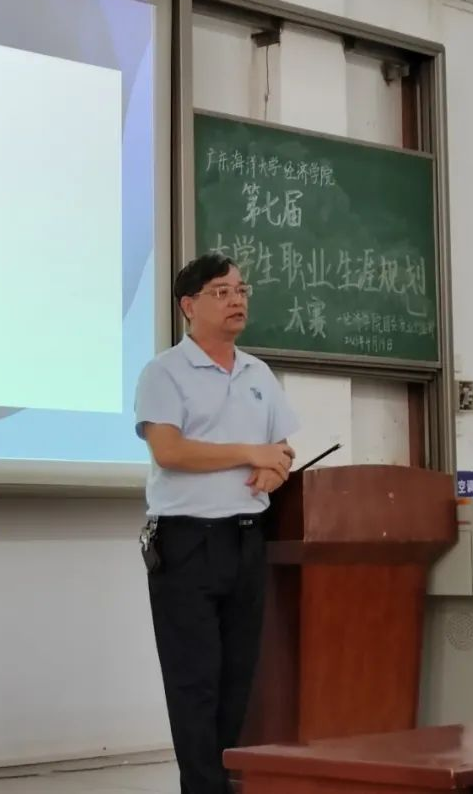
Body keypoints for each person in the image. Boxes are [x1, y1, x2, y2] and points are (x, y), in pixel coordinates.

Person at [134, 254, 300, 794]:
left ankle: (223, 783)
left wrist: (274, 470)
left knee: (238, 680)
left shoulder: (259, 373)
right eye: (222, 292)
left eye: (241, 290)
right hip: (187, 542)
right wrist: (250, 452)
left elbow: (280, 450)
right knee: (194, 681)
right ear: (189, 305)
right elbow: (169, 450)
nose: (237, 300)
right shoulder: (164, 372)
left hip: (248, 538)